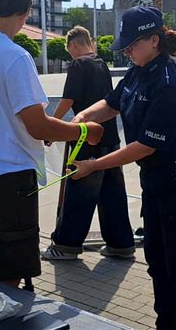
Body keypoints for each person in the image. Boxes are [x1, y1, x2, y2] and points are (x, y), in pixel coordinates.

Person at [0, 0, 103, 287]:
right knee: (8, 276)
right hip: (6, 176)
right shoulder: (15, 56)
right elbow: (36, 125)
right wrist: (84, 131)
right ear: (24, 15)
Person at [71, 6, 176, 330]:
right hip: (154, 178)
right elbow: (111, 103)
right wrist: (82, 118)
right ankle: (166, 324)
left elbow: (146, 145)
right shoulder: (138, 70)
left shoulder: (171, 82)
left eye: (132, 44)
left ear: (153, 40)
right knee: (157, 261)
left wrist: (94, 166)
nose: (128, 51)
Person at [41, 25, 135, 260]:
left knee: (79, 191)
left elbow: (68, 99)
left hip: (86, 136)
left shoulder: (77, 65)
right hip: (109, 136)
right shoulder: (101, 64)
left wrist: (52, 126)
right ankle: (120, 243)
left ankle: (66, 245)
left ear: (73, 46)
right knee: (111, 193)